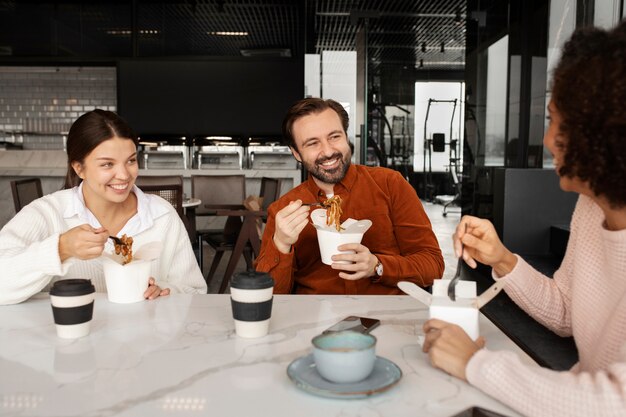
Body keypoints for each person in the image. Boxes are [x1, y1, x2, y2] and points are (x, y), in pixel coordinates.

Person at [422, 21, 626, 417]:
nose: (547, 141)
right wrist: (502, 259)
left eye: (554, 121)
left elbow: (617, 403)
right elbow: (567, 313)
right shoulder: (591, 208)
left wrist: (475, 364)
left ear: (603, 133)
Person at [0, 110, 207, 305]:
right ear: (79, 168)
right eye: (107, 164)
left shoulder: (163, 215)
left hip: (145, 339)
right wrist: (61, 249)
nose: (124, 175)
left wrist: (164, 290)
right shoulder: (48, 213)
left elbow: (195, 292)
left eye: (131, 161)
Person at [255, 98, 444, 294]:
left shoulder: (390, 185)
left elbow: (433, 265)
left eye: (334, 137)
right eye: (312, 143)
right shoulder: (284, 210)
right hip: (316, 318)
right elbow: (267, 295)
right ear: (296, 153)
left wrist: (378, 266)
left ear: (346, 136)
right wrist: (281, 244)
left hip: (386, 315)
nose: (328, 151)